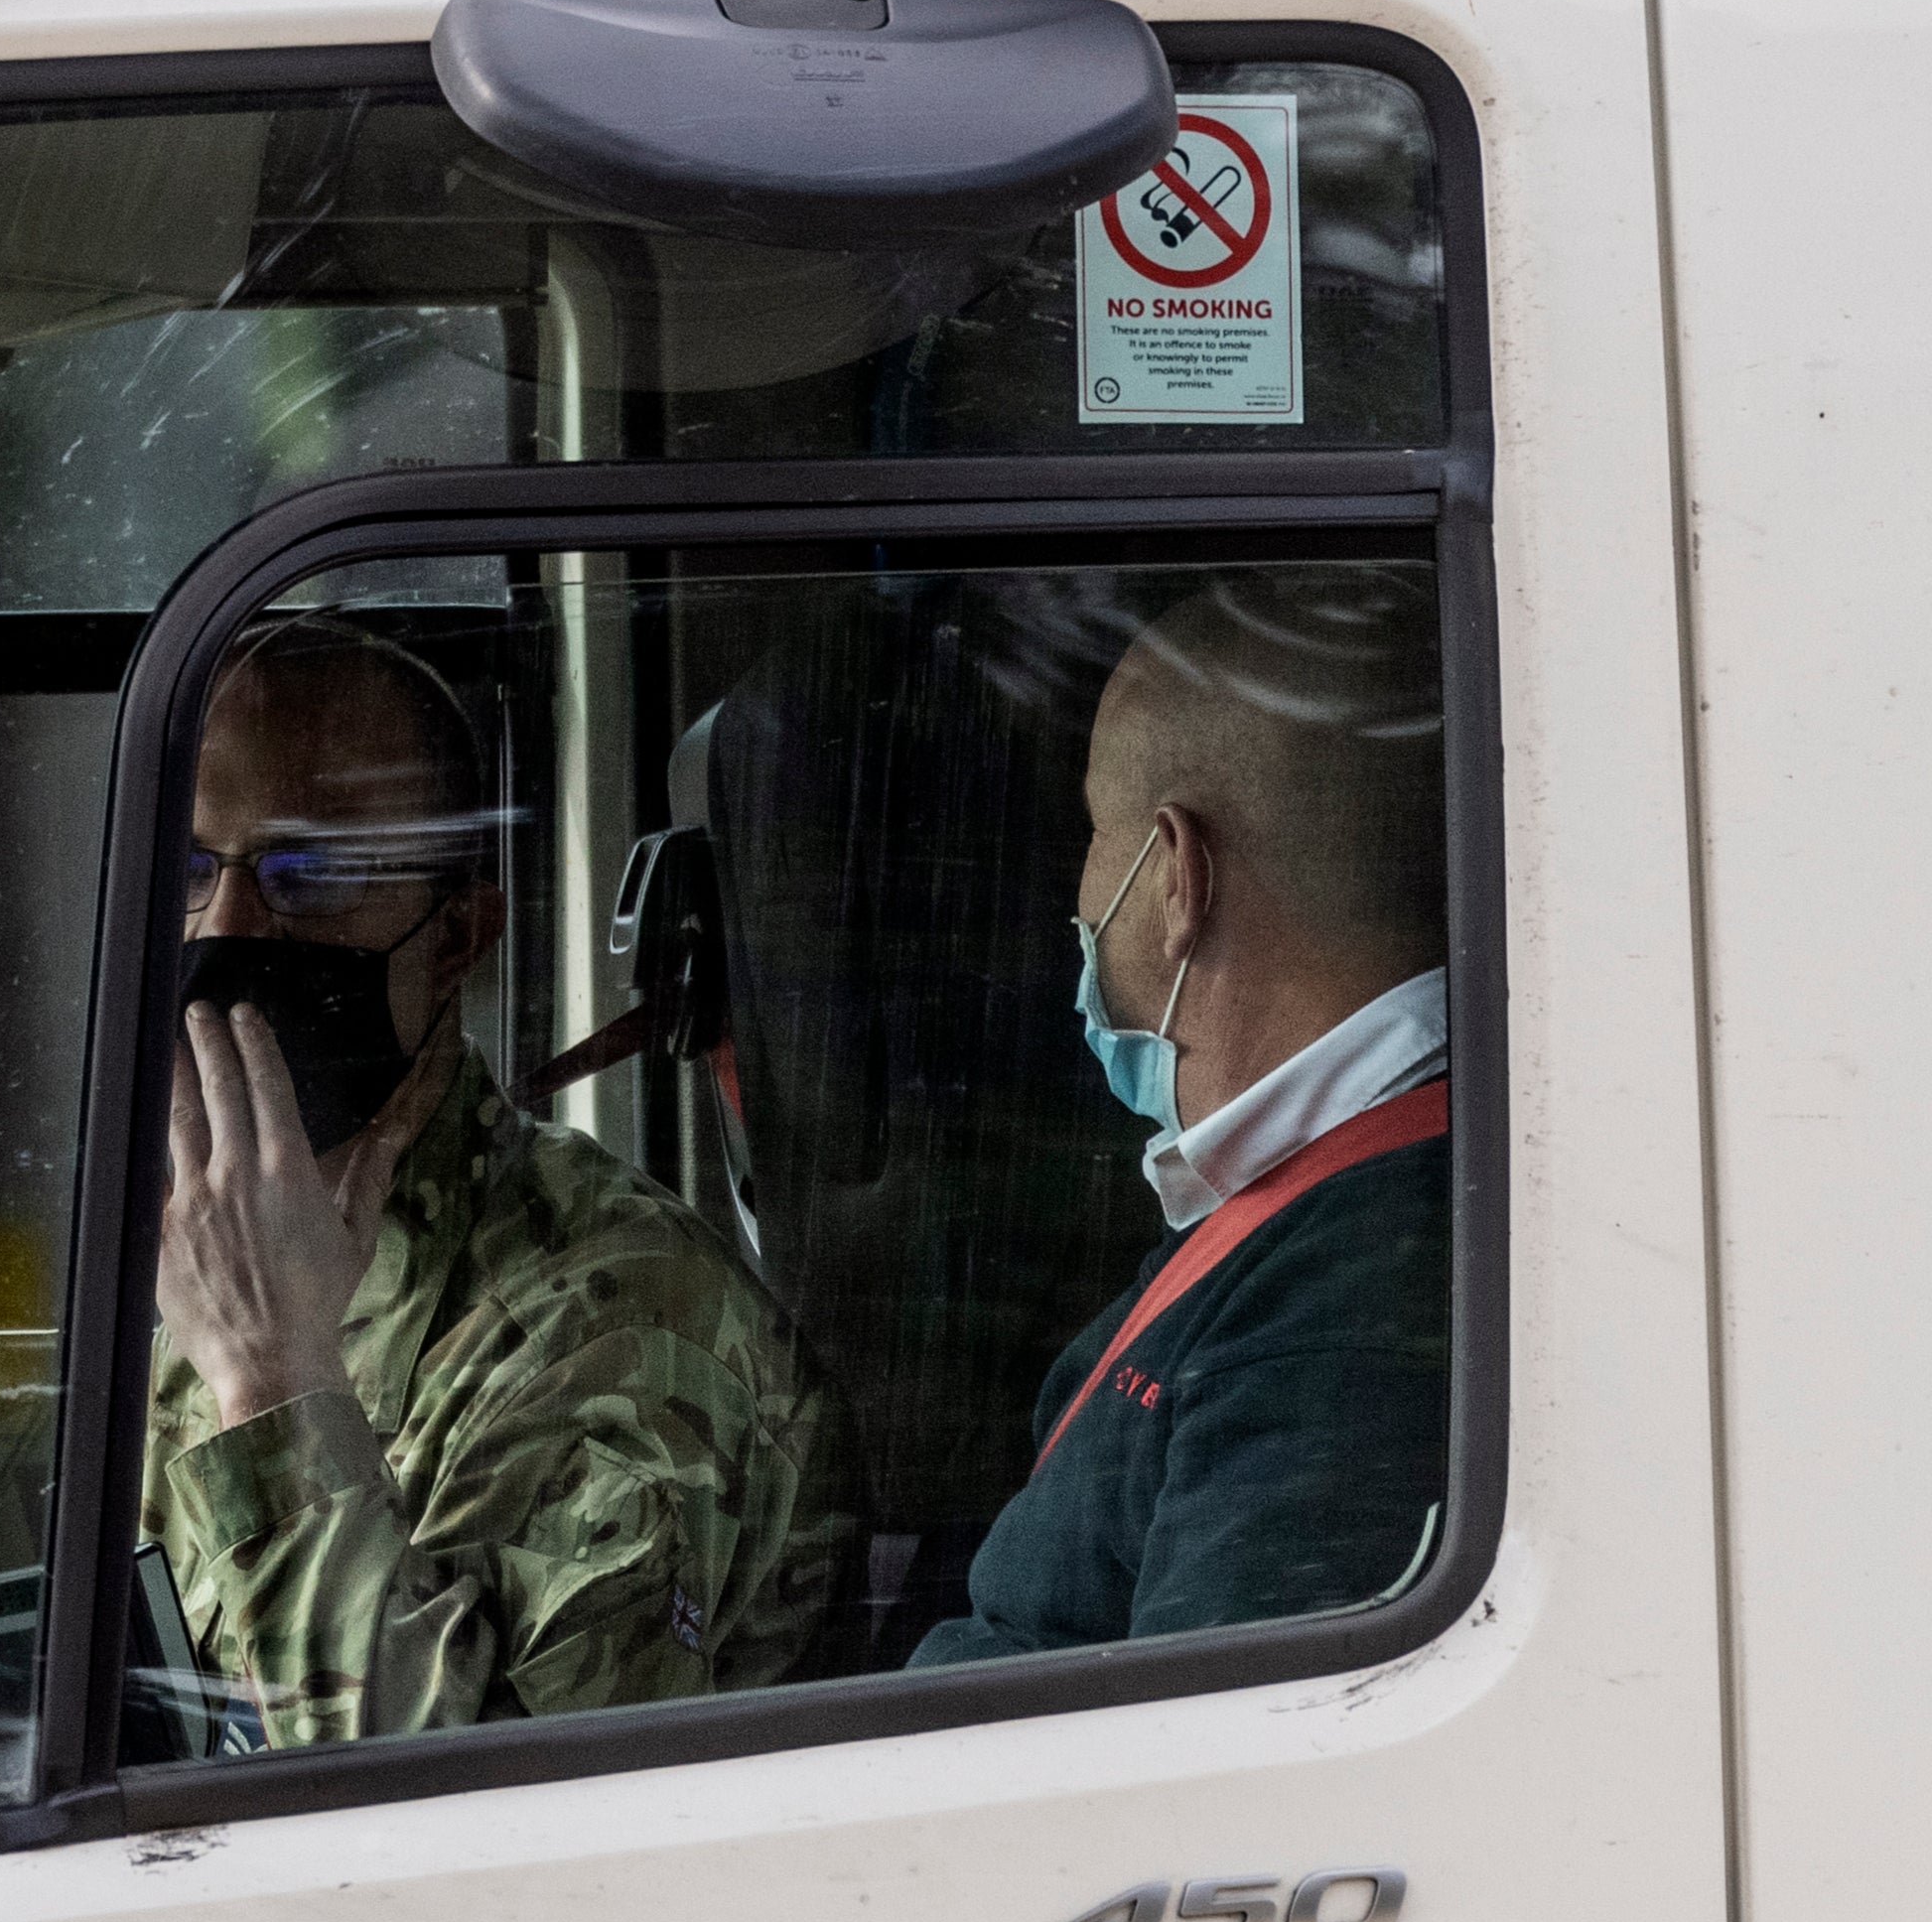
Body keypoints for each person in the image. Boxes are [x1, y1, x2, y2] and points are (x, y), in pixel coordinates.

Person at [147, 619, 850, 1746]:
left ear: (459, 933)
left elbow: (476, 1842)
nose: (228, 929)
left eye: (311, 873)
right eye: (189, 871)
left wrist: (273, 1381)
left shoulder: (614, 1324)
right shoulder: (204, 1233)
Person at [911, 571, 1449, 1664]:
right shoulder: (1344, 1205)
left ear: (1175, 875)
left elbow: (1201, 1785)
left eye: (1092, 834)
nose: (1075, 900)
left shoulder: (1348, 1313)